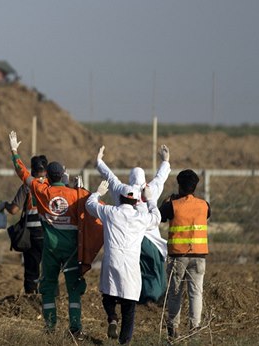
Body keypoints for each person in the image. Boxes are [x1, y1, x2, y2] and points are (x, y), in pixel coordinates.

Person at [8, 131, 86, 339]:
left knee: (48, 287)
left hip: (50, 249)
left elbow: (22, 173)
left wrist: (14, 151)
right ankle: (76, 327)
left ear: (49, 178)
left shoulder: (42, 191)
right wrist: (87, 189)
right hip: (71, 250)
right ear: (63, 176)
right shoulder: (75, 194)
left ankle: (50, 326)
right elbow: (93, 204)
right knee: (73, 289)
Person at [85, 180, 160, 344]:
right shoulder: (141, 218)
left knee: (108, 294)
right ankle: (124, 341)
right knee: (129, 304)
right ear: (135, 202)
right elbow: (157, 218)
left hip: (112, 259)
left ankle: (112, 318)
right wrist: (150, 200)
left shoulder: (110, 212)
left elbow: (90, 205)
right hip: (131, 264)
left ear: (120, 198)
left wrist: (98, 193)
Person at [96, 144, 171, 304]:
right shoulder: (150, 189)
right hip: (150, 239)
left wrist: (99, 161)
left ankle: (126, 296)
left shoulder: (122, 190)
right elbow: (160, 177)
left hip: (127, 237)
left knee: (130, 268)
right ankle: (151, 296)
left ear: (130, 178)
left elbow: (110, 177)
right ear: (143, 178)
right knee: (153, 267)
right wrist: (165, 161)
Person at [159, 169, 211, 339]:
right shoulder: (204, 205)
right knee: (196, 293)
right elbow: (206, 216)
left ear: (180, 186)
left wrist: (169, 200)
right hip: (199, 257)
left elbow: (160, 216)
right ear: (195, 187)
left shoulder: (172, 205)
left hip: (178, 257)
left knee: (175, 293)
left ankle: (173, 329)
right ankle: (195, 329)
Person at [0, 155, 49, 294]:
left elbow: (14, 210)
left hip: (31, 233)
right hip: (48, 232)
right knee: (49, 267)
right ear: (46, 169)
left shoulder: (27, 185)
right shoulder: (51, 185)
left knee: (31, 268)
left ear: (32, 169)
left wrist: (5, 205)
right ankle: (51, 297)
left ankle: (31, 297)